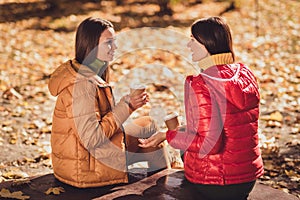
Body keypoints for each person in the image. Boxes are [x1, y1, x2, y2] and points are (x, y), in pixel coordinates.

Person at [139, 16, 264, 200]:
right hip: (247, 179)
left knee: (154, 188)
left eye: (193, 40)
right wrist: (171, 133)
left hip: (217, 184)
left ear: (207, 43)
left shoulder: (202, 83)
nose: (189, 45)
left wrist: (170, 136)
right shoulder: (244, 74)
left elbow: (210, 145)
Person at [48, 17, 169, 188]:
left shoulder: (88, 72)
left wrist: (128, 104)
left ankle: (162, 179)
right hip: (83, 170)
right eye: (109, 42)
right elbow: (92, 138)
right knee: (148, 130)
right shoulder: (82, 85)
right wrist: (127, 106)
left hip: (80, 162)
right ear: (91, 45)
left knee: (148, 127)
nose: (115, 47)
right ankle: (165, 184)